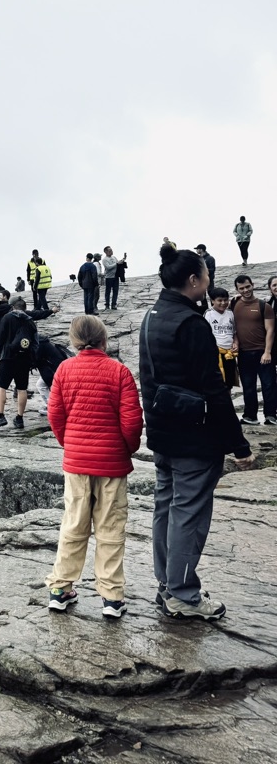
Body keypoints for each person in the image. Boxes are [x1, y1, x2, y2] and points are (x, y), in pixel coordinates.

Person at [139, 245, 254, 620]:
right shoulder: (192, 324)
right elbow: (213, 390)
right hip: (194, 436)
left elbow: (150, 380)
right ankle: (183, 594)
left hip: (162, 434)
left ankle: (166, 582)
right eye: (205, 274)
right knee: (188, 513)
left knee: (166, 507)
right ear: (193, 280)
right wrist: (238, 445)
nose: (208, 280)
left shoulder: (150, 316)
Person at [46, 315, 143, 617]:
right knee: (110, 528)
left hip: (76, 464)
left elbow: (55, 416)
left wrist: (70, 444)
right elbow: (132, 422)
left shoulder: (64, 369)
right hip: (112, 464)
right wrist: (127, 449)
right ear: (104, 340)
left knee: (73, 523)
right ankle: (112, 598)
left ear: (74, 342)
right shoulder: (119, 372)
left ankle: (60, 590)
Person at [0, 294, 57, 431]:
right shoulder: (30, 321)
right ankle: (19, 418)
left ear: (12, 306)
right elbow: (35, 342)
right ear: (25, 307)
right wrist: (31, 358)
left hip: (7, 358)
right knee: (22, 389)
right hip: (24, 360)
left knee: (1, 387)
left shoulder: (7, 318)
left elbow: (0, 338)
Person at [231, 275, 275, 425]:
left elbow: (270, 330)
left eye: (247, 286)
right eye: (241, 288)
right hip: (243, 353)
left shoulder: (264, 306)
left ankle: (271, 415)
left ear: (253, 285)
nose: (246, 290)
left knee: (269, 385)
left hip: (262, 352)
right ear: (237, 289)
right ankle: (250, 416)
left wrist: (267, 351)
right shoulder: (234, 303)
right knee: (248, 386)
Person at [204, 287, 238, 389]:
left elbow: (234, 333)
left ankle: (229, 402)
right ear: (212, 301)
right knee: (217, 383)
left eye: (225, 300)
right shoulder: (208, 314)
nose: (223, 303)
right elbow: (206, 335)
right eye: (219, 300)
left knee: (229, 383)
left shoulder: (230, 313)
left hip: (229, 354)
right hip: (216, 354)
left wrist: (236, 343)